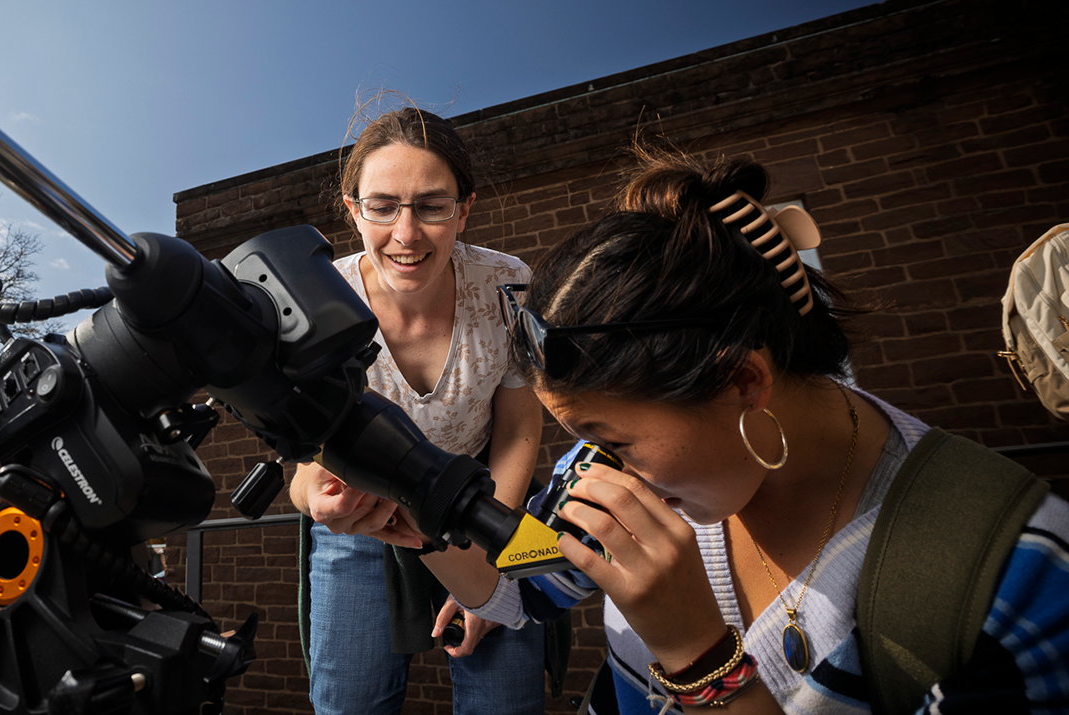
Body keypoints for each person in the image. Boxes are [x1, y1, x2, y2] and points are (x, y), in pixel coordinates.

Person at [419, 148, 1069, 713]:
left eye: (615, 439)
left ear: (742, 380)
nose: (594, 466)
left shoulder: (1018, 579)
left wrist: (697, 655)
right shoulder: (607, 469)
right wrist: (411, 506)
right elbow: (517, 587)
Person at [288, 107, 547, 714]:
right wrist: (317, 503)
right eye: (382, 207)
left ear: (464, 209)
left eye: (432, 206)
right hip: (368, 519)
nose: (406, 234)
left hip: (486, 501)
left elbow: (518, 427)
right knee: (349, 704)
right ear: (354, 211)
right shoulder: (315, 297)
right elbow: (301, 467)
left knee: (505, 702)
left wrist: (491, 556)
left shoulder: (507, 282)